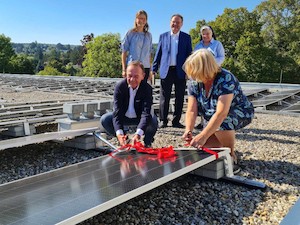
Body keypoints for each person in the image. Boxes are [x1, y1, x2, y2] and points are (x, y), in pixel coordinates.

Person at [182, 49, 254, 174]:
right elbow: (191, 110)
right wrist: (188, 130)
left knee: (222, 122)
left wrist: (203, 135)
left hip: (237, 113)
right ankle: (223, 146)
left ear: (204, 68)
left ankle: (231, 156)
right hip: (211, 116)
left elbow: (221, 113)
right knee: (204, 148)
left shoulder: (226, 78)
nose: (192, 76)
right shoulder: (194, 83)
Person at [100, 61, 158, 147]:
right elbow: (117, 112)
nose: (132, 79)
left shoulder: (147, 88)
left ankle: (147, 142)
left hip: (139, 118)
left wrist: (138, 134)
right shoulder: (120, 87)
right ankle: (123, 139)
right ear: (125, 75)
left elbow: (146, 112)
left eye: (136, 76)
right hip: (124, 117)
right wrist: (119, 133)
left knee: (153, 120)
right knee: (105, 119)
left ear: (143, 76)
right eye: (129, 76)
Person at [151, 14, 192, 128]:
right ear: (170, 23)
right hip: (166, 70)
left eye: (178, 22)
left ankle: (176, 121)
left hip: (181, 71)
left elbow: (189, 56)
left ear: (182, 24)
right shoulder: (163, 36)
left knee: (179, 97)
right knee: (164, 97)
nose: (175, 24)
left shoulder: (186, 37)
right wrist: (153, 69)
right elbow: (158, 53)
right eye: (174, 22)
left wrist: (189, 71)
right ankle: (163, 120)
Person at [194, 25, 225, 129]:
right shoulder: (198, 46)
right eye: (203, 33)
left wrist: (211, 64)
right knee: (202, 98)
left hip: (214, 74)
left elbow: (221, 57)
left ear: (212, 34)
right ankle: (203, 121)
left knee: (213, 98)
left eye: (207, 33)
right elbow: (194, 59)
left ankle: (214, 121)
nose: (205, 35)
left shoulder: (217, 44)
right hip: (201, 75)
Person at [121, 10, 152, 84]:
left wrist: (151, 70)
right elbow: (124, 52)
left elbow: (149, 54)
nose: (142, 20)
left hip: (145, 68)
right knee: (131, 91)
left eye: (144, 19)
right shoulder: (130, 33)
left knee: (143, 92)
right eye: (140, 18)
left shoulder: (149, 35)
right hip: (133, 67)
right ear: (136, 19)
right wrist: (124, 69)